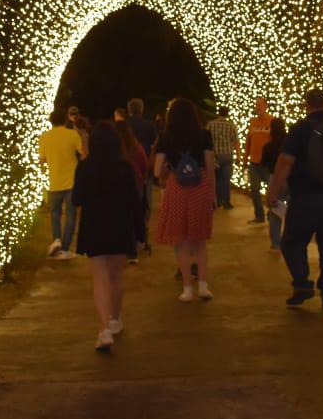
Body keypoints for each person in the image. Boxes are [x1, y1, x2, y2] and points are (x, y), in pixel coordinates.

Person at [265, 89, 323, 308]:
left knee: (292, 242)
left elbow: (285, 161)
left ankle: (302, 283)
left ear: (307, 105)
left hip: (306, 196)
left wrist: (273, 189)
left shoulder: (300, 129)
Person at [73, 122, 137, 351]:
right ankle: (115, 319)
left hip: (94, 225)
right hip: (119, 224)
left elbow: (77, 199)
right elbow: (134, 199)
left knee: (100, 276)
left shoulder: (85, 167)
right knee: (116, 275)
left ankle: (104, 329)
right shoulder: (124, 167)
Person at [154, 96, 218, 301]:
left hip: (177, 187)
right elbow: (209, 166)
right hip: (200, 187)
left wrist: (166, 170)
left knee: (180, 241)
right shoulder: (203, 135)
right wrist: (213, 194)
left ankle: (187, 289)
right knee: (199, 241)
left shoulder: (166, 137)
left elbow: (156, 171)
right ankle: (203, 285)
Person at [38, 108, 84, 259]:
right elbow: (84, 153)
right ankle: (64, 248)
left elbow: (42, 160)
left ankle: (56, 240)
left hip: (54, 181)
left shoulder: (44, 137)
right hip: (72, 181)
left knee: (55, 213)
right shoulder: (72, 134)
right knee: (71, 214)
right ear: (65, 119)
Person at [116, 118, 150, 261]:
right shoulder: (136, 146)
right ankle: (137, 243)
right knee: (135, 215)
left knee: (121, 217)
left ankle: (123, 246)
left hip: (117, 186)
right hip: (136, 185)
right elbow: (144, 165)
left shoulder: (114, 148)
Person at [260, 117, 289, 251]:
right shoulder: (289, 144)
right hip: (289, 179)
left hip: (274, 178)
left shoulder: (268, 146)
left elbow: (264, 165)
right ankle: (288, 240)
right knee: (290, 210)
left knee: (275, 211)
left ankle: (276, 243)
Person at [244, 97, 275, 223]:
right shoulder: (253, 122)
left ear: (266, 106)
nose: (258, 107)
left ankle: (271, 213)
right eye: (256, 105)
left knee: (271, 191)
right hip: (254, 163)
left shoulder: (272, 121)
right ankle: (259, 215)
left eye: (260, 105)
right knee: (254, 190)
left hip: (267, 164)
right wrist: (245, 159)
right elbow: (248, 142)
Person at [206, 105, 240, 209]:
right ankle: (227, 202)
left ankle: (217, 201)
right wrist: (239, 156)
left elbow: (206, 140)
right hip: (228, 155)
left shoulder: (210, 125)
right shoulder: (231, 125)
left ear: (218, 113)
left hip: (214, 156)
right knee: (225, 179)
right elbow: (236, 142)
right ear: (227, 113)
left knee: (215, 179)